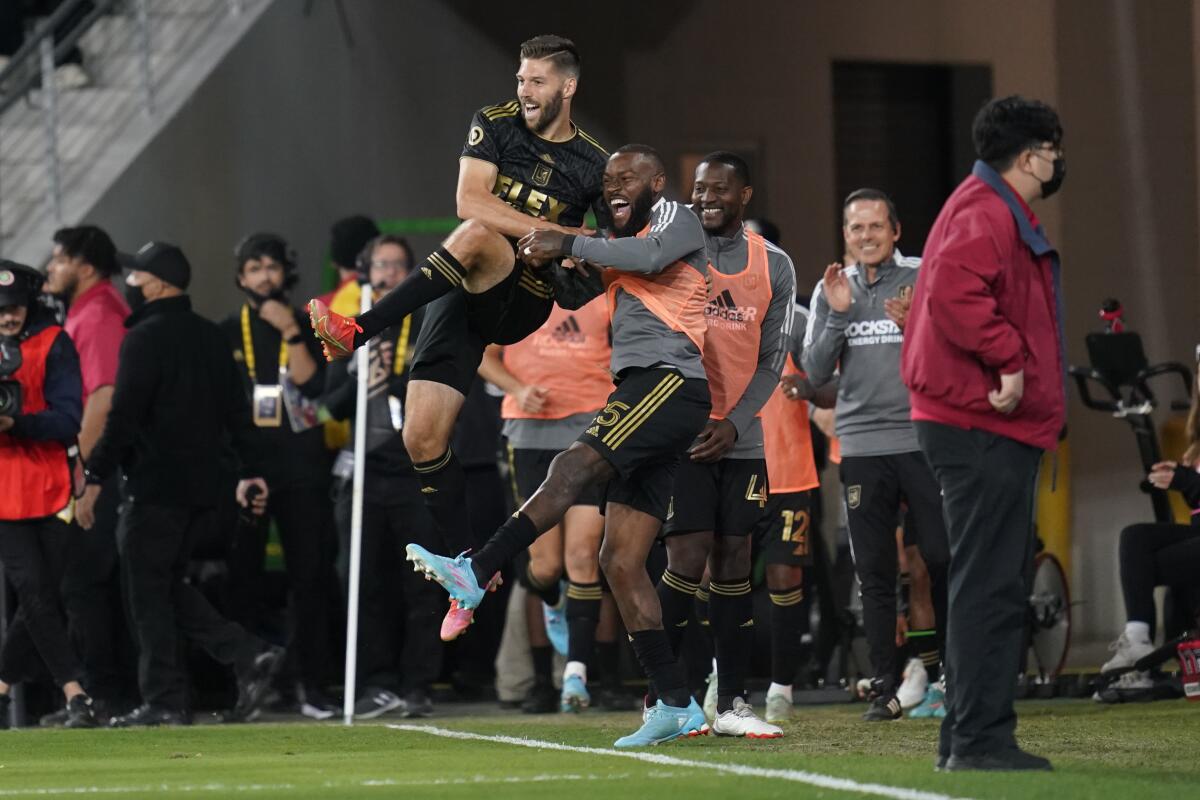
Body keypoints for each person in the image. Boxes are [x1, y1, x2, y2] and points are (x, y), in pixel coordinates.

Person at [406, 144, 714, 748]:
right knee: (618, 562)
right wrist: (536, 264)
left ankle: (476, 569)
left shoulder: (676, 218)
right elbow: (574, 297)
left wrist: (566, 241)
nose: (614, 186)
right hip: (641, 385)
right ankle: (677, 703)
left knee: (574, 465)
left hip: (669, 382)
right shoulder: (609, 241)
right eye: (608, 180)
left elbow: (648, 254)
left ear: (656, 180)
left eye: (627, 177)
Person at [307, 35, 608, 637]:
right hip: (463, 290)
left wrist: (568, 251)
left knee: (471, 232)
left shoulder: (593, 162)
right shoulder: (492, 122)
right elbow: (468, 195)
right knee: (420, 436)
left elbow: (594, 260)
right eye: (521, 79)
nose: (524, 91)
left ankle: (358, 331)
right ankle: (468, 573)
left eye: (538, 81)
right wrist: (551, 230)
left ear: (567, 87)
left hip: (520, 300)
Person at [901, 95, 1067, 772]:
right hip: (980, 422)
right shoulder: (986, 208)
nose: (1059, 162)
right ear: (1030, 156)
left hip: (970, 421)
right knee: (991, 585)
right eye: (1054, 150)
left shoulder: (985, 204)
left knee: (986, 582)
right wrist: (1008, 359)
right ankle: (978, 741)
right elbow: (953, 292)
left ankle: (966, 736)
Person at [75, 241, 283, 727]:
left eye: (139, 276)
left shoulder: (144, 338)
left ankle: (166, 700)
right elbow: (239, 414)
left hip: (155, 490)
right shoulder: (211, 336)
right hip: (206, 494)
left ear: (159, 283)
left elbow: (123, 419)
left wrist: (93, 477)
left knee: (147, 595)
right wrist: (252, 473)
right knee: (163, 585)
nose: (132, 282)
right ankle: (247, 654)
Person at [653, 152, 794, 738]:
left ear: (745, 197)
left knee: (735, 559)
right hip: (682, 433)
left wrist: (735, 423)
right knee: (685, 559)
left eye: (718, 190)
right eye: (698, 190)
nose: (705, 198)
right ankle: (667, 698)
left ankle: (733, 702)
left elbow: (772, 360)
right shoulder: (673, 249)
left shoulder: (774, 265)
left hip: (740, 438)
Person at [804, 188, 949, 722]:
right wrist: (840, 315)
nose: (866, 236)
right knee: (875, 572)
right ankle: (886, 684)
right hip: (862, 447)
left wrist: (917, 329)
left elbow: (953, 356)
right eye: (856, 228)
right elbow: (815, 373)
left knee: (940, 556)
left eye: (875, 227)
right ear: (846, 234)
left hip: (922, 440)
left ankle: (949, 673)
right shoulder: (831, 289)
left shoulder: (923, 276)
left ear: (896, 231)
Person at [324, 234, 443, 719]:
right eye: (380, 266)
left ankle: (418, 685)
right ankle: (377, 682)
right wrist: (355, 373)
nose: (388, 274)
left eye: (397, 266)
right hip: (365, 474)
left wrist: (391, 381)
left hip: (414, 471)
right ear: (366, 272)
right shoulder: (351, 328)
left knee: (421, 583)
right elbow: (329, 404)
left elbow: (440, 385)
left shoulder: (426, 319)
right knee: (364, 581)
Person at [477, 293, 612, 713]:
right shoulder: (520, 294)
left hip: (592, 431)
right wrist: (518, 388)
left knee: (584, 556)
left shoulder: (608, 293)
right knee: (546, 567)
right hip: (529, 433)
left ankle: (577, 673)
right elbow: (483, 355)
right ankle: (546, 654)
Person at [220, 233, 336, 720]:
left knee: (311, 580)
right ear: (241, 278)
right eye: (253, 268)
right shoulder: (227, 331)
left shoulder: (310, 323)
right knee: (240, 582)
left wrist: (291, 332)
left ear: (285, 273)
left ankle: (313, 686)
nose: (264, 276)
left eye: (271, 266)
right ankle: (245, 684)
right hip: (249, 471)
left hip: (304, 470)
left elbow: (315, 385)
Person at [41, 224, 135, 721]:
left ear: (85, 265)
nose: (51, 267)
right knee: (91, 585)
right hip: (104, 470)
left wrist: (81, 472)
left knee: (85, 585)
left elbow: (102, 397)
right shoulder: (95, 309)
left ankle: (101, 696)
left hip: (95, 472)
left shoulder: (97, 314)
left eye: (58, 258)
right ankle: (106, 693)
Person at [0, 260, 99, 729]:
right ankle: (76, 692)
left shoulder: (55, 343)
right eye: (0, 309)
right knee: (35, 591)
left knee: (40, 596)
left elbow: (68, 421)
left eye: (15, 307)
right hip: (4, 491)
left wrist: (17, 422)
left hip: (53, 484)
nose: (7, 317)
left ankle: (0, 686)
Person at [754, 300, 835, 723]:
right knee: (717, 577)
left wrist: (807, 389)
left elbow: (832, 385)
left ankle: (781, 689)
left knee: (785, 580)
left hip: (788, 473)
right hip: (731, 467)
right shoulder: (707, 308)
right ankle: (719, 677)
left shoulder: (799, 320)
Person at [1097, 362, 1200, 696]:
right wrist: (1177, 479)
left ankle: (1149, 652)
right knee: (1135, 538)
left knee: (1146, 566)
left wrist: (1187, 480)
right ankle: (1138, 639)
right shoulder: (1195, 440)